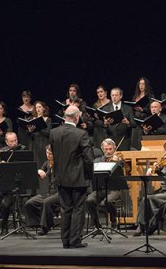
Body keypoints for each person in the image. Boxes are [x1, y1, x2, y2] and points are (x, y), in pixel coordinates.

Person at [49, 105, 93, 248]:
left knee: (65, 209)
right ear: (77, 117)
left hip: (61, 178)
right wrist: (89, 175)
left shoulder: (54, 132)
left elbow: (54, 155)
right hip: (78, 178)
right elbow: (88, 158)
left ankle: (65, 241)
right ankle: (75, 240)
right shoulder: (81, 134)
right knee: (78, 209)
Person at [133, 139, 166, 236]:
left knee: (148, 198)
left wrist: (158, 170)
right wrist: (152, 169)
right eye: (165, 150)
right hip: (163, 190)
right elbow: (159, 170)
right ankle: (144, 225)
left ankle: (143, 226)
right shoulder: (165, 161)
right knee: (144, 199)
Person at [86, 139, 124, 230]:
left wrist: (117, 162)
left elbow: (122, 166)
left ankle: (113, 220)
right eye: (106, 149)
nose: (108, 151)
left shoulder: (119, 160)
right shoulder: (97, 161)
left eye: (110, 149)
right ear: (102, 149)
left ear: (114, 149)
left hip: (114, 189)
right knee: (89, 200)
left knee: (107, 202)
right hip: (101, 188)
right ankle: (96, 224)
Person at [24, 145, 60, 236]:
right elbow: (40, 171)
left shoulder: (60, 164)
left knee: (46, 202)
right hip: (49, 193)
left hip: (59, 192)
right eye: (47, 153)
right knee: (30, 203)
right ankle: (37, 223)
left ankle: (45, 227)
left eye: (50, 154)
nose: (48, 155)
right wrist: (38, 171)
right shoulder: (47, 163)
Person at [27, 100, 51, 166]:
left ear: (44, 108)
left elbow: (48, 133)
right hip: (34, 143)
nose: (38, 109)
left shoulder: (48, 119)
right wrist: (30, 131)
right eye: (36, 107)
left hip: (44, 143)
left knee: (43, 162)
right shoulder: (32, 119)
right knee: (35, 162)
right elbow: (29, 135)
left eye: (40, 107)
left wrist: (39, 128)